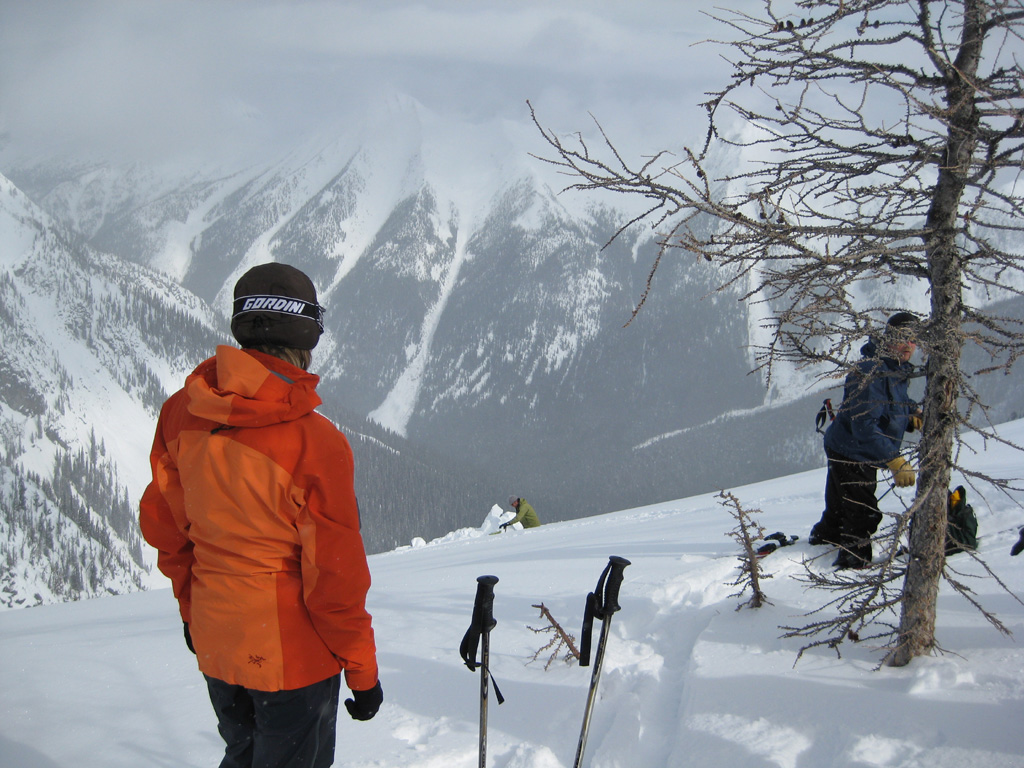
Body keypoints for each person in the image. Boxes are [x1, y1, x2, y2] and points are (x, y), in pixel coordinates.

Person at [139, 263, 382, 768]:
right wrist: (362, 672)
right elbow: (335, 579)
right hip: (293, 659)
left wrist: (191, 611)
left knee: (242, 753)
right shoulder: (316, 443)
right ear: (307, 335)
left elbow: (169, 530)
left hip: (217, 639)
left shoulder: (181, 413)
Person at [809, 312, 922, 569]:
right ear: (889, 338)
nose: (908, 345)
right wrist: (894, 460)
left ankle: (824, 538)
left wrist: (910, 413)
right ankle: (853, 563)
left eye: (913, 340)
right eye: (903, 338)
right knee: (862, 512)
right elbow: (864, 425)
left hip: (846, 444)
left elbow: (891, 400)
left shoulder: (893, 367)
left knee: (841, 506)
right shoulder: (871, 371)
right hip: (854, 449)